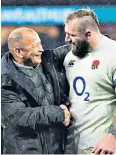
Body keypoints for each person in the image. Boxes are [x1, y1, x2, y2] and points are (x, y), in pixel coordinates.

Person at [1, 27, 71, 154]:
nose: (41, 49)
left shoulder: (48, 59)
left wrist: (101, 42)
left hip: (57, 150)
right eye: (35, 45)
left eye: (40, 44)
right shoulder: (4, 81)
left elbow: (74, 48)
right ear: (18, 51)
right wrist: (58, 113)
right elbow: (19, 116)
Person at [63, 9, 116, 154]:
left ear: (88, 34)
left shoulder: (113, 53)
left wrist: (113, 136)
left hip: (104, 148)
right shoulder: (70, 57)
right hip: (72, 147)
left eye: (72, 35)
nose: (66, 39)